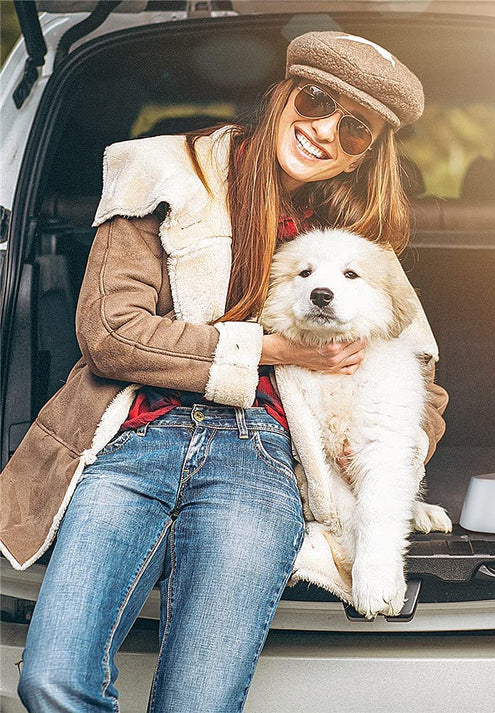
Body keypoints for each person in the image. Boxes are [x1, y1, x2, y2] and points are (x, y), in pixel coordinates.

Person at [1, 31, 447, 712]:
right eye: (316, 100)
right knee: (51, 679)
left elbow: (419, 372)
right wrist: (273, 351)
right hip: (135, 439)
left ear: (366, 154)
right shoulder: (162, 172)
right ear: (283, 92)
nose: (324, 130)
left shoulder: (352, 237)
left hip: (262, 454)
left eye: (352, 128)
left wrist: (389, 451)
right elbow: (111, 333)